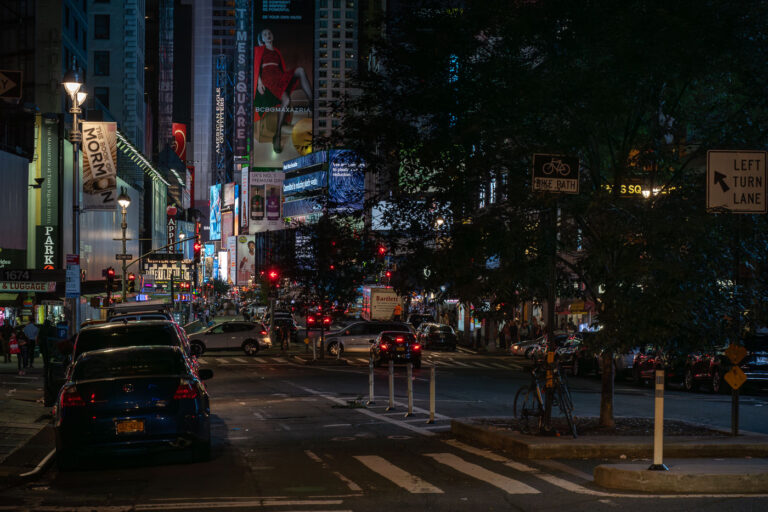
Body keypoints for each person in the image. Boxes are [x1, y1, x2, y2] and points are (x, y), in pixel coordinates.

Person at [253, 28, 313, 153]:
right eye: (265, 34)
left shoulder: (276, 51)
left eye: (269, 33)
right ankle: (278, 133)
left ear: (272, 36)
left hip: (279, 75)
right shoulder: (259, 50)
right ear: (262, 39)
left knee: (300, 70)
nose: (268, 35)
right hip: (268, 77)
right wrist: (259, 83)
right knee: (286, 100)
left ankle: (312, 103)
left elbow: (281, 68)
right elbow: (256, 66)